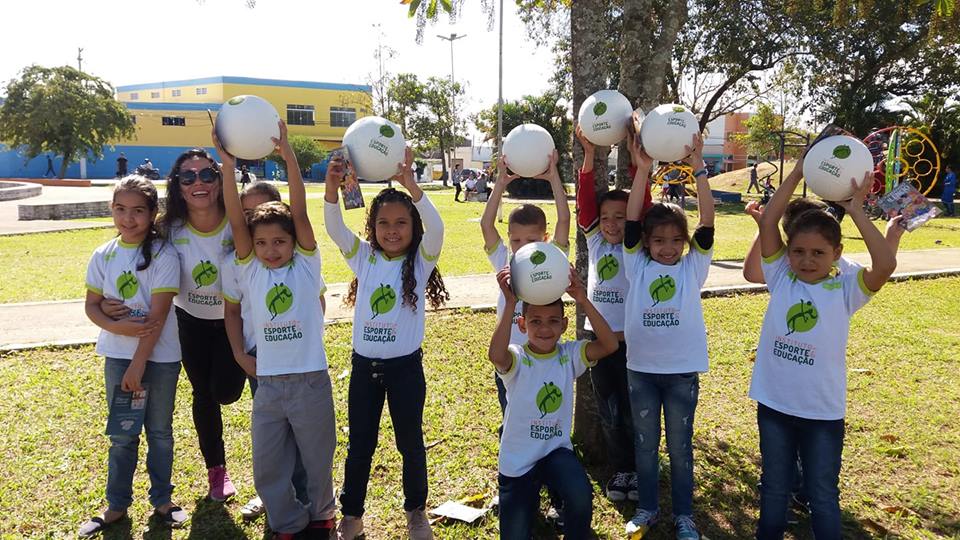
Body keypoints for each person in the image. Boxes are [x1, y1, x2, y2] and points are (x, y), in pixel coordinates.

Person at [751, 156, 896, 539]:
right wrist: (799, 171)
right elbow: (769, 222)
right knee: (774, 490)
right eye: (798, 251)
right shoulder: (781, 277)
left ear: (836, 252)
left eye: (818, 253)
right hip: (775, 406)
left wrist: (856, 209)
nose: (806, 260)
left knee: (822, 496)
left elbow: (884, 264)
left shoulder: (846, 289)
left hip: (822, 415)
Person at [216, 122, 338, 539]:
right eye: (263, 242)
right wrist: (228, 166)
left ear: (294, 243)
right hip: (267, 382)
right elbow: (236, 222)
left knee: (318, 458)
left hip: (309, 380)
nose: (271, 250)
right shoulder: (249, 269)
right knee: (267, 464)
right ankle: (286, 521)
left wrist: (288, 156)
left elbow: (300, 211)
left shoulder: (306, 265)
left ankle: (322, 516)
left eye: (280, 242)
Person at [324, 146, 448, 540]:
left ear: (413, 228)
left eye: (401, 223)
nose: (391, 230)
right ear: (372, 227)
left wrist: (413, 188)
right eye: (383, 223)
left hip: (405, 370)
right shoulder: (364, 258)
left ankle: (416, 512)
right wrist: (331, 189)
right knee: (360, 445)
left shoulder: (420, 261)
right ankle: (352, 516)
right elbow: (333, 229)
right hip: (365, 369)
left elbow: (438, 229)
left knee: (410, 444)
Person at [79, 176, 187, 536]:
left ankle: (162, 500)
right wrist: (117, 327)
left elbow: (157, 317)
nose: (128, 218)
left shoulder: (164, 255)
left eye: (138, 211)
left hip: (158, 359)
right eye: (121, 209)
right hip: (117, 357)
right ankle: (116, 505)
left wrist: (139, 362)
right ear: (112, 210)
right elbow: (92, 308)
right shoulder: (103, 254)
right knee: (123, 435)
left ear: (153, 213)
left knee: (159, 432)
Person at [622, 133, 713, 540]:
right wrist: (642, 169)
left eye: (677, 240)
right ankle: (647, 510)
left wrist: (698, 168)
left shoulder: (693, 268)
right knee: (645, 445)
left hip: (681, 375)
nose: (668, 247)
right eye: (659, 240)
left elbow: (707, 222)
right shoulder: (636, 265)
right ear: (646, 242)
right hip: (640, 371)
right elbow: (629, 221)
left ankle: (684, 516)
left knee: (679, 448)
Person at [489, 266, 619, 539]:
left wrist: (583, 299)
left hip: (554, 452)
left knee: (580, 494)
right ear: (522, 325)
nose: (545, 328)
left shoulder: (569, 355)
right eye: (535, 321)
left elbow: (609, 345)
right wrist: (510, 302)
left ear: (564, 325)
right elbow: (496, 355)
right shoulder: (518, 358)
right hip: (518, 459)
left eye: (552, 321)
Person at [221, 181, 317, 522]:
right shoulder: (240, 263)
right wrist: (239, 355)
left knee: (304, 436)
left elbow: (315, 301)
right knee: (272, 441)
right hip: (259, 360)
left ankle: (306, 499)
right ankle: (277, 499)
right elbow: (231, 312)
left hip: (299, 360)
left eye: (277, 238)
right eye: (249, 214)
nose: (255, 218)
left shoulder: (299, 263)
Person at [574, 124, 653, 503]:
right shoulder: (594, 240)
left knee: (636, 411)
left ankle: (640, 471)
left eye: (621, 217)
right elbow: (586, 204)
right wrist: (589, 156)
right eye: (606, 217)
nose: (611, 223)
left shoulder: (637, 246)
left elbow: (644, 206)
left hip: (634, 344)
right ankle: (621, 470)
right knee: (609, 411)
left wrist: (640, 166)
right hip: (600, 344)